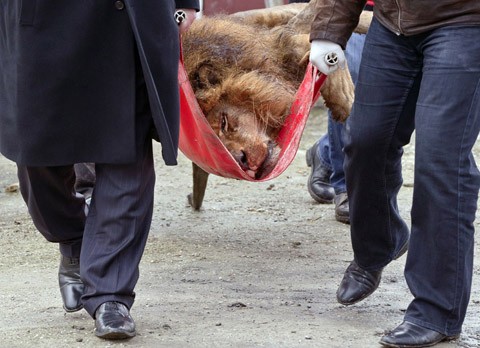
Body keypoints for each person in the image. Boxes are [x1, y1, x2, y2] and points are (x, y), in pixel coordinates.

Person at [0, 0, 199, 340]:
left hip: (130, 16)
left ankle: (110, 296)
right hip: (40, 20)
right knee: (37, 156)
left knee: (127, 151)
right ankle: (75, 240)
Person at [310, 1, 480, 348]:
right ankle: (379, 245)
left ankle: (437, 309)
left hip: (465, 21)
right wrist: (329, 31)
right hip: (392, 23)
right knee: (364, 141)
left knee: (440, 160)